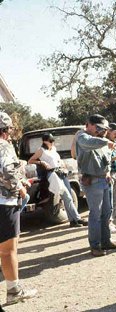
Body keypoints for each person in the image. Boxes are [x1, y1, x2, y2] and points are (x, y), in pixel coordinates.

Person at [0, 112, 37, 306]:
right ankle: (14, 291)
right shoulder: (3, 145)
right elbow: (7, 170)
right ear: (5, 130)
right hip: (4, 203)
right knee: (8, 250)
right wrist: (20, 187)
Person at [76, 114, 116, 257]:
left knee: (106, 213)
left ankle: (106, 240)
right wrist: (105, 142)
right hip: (93, 180)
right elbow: (90, 142)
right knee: (95, 215)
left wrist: (108, 171)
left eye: (102, 129)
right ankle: (95, 246)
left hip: (104, 179)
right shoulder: (82, 136)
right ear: (89, 124)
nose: (100, 131)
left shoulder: (100, 140)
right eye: (98, 128)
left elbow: (106, 157)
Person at [28, 133, 88, 228]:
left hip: (61, 172)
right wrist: (41, 162)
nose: (52, 143)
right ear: (45, 141)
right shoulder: (41, 150)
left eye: (52, 141)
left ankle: (73, 220)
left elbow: (58, 159)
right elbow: (30, 160)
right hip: (52, 174)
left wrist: (62, 164)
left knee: (68, 196)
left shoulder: (54, 149)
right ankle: (77, 218)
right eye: (50, 141)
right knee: (67, 196)